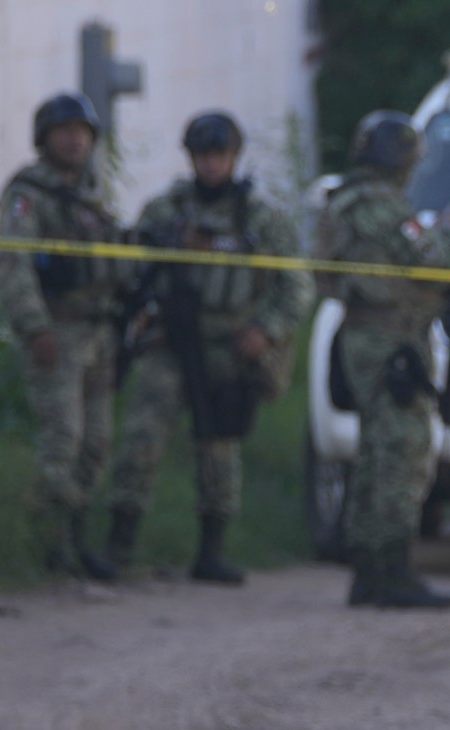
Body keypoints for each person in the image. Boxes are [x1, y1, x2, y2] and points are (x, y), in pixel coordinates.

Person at [105, 111, 314, 583]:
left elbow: (296, 287)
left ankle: (212, 550)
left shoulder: (261, 219)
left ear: (234, 158)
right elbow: (131, 268)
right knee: (143, 431)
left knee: (219, 445)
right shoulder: (166, 211)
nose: (212, 165)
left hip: (230, 344)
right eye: (203, 156)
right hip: (172, 338)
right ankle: (119, 545)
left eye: (220, 155)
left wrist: (266, 329)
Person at [314, 110, 450, 608]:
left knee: (377, 451)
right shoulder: (379, 206)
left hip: (371, 337)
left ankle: (370, 568)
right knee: (401, 451)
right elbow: (433, 260)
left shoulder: (347, 200)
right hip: (387, 340)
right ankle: (391, 569)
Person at [0, 92, 126, 580]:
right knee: (63, 441)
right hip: (59, 331)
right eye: (63, 131)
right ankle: (56, 544)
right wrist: (36, 327)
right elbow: (14, 265)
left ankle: (76, 534)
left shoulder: (93, 195)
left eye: (82, 132)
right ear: (44, 138)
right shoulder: (28, 194)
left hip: (99, 332)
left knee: (96, 444)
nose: (74, 140)